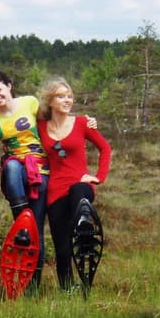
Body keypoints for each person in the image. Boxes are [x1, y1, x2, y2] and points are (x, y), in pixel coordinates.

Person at [0, 70, 50, 290]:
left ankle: (33, 284)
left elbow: (52, 126)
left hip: (40, 169)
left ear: (9, 86)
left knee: (37, 231)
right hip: (16, 173)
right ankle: (21, 222)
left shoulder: (30, 102)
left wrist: (83, 123)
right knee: (13, 165)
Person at [37, 77, 111, 291]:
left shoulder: (81, 123)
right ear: (50, 101)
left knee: (79, 192)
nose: (67, 100)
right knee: (62, 250)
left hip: (81, 185)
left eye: (69, 96)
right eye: (61, 96)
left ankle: (83, 225)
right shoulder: (40, 126)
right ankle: (67, 290)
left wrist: (98, 176)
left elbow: (105, 148)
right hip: (55, 191)